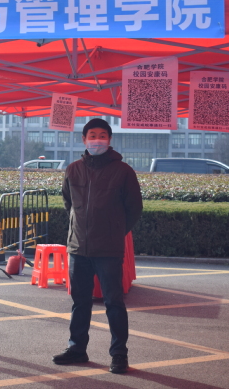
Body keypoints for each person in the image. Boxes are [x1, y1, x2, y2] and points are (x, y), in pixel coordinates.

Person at [53, 118, 143, 374]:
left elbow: (134, 209)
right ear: (84, 139)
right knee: (80, 302)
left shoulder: (123, 171)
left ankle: (119, 354)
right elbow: (69, 204)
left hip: (108, 250)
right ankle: (77, 349)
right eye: (92, 136)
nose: (97, 140)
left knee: (114, 302)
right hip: (78, 248)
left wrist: (114, 231)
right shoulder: (73, 170)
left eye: (102, 136)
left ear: (109, 140)